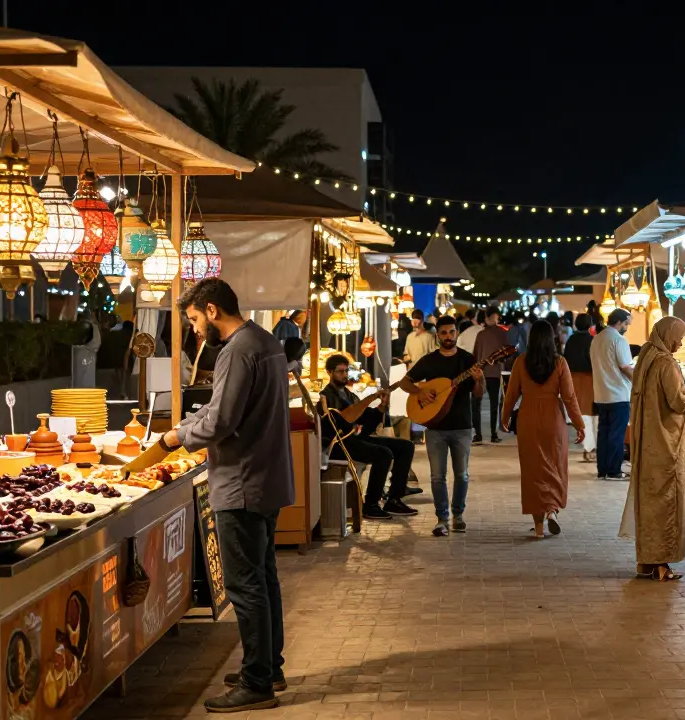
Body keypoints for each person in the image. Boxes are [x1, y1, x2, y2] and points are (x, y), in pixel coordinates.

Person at [165, 278, 294, 711]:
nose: (196, 329)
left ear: (212, 310)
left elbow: (221, 420)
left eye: (195, 319)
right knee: (264, 576)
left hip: (242, 481)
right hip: (268, 476)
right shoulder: (266, 340)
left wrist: (175, 436)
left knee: (246, 583)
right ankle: (268, 667)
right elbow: (228, 407)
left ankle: (257, 681)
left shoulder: (237, 348)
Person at [393, 315, 484, 537]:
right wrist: (420, 391)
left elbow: (478, 395)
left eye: (451, 332)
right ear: (438, 335)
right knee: (437, 476)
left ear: (456, 333)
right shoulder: (429, 361)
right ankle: (442, 519)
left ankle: (458, 515)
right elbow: (405, 382)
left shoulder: (467, 360)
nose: (448, 336)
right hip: (435, 427)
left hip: (462, 425)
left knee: (462, 474)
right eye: (443, 333)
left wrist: (479, 379)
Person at [620, 317, 685, 581]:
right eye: (679, 336)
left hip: (648, 440)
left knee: (649, 502)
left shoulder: (647, 359)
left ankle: (646, 562)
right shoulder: (665, 364)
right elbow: (678, 402)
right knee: (666, 502)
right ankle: (661, 565)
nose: (681, 342)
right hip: (666, 445)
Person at [500, 320, 584, 538]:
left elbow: (511, 394)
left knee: (532, 470)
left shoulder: (521, 362)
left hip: (528, 417)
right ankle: (552, 511)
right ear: (551, 338)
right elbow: (569, 397)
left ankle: (538, 528)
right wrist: (579, 423)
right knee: (555, 465)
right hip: (553, 419)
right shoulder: (559, 363)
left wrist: (505, 416)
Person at [317, 355, 417, 519]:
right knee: (383, 453)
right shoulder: (326, 397)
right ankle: (370, 504)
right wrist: (369, 401)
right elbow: (344, 423)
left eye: (346, 371)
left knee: (405, 446)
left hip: (355, 439)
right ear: (329, 372)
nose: (344, 375)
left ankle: (394, 498)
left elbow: (366, 427)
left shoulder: (349, 395)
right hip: (339, 445)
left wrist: (381, 407)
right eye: (340, 371)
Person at [590, 309, 634, 480]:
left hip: (601, 393)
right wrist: (638, 381)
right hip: (618, 393)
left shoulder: (597, 339)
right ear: (620, 322)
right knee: (616, 434)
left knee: (604, 434)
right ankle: (614, 471)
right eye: (627, 324)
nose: (627, 327)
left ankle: (602, 470)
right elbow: (625, 366)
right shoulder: (618, 340)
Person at [471, 307, 510, 444]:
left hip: (481, 372)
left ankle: (478, 434)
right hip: (494, 373)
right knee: (494, 404)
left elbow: (475, 355)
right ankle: (493, 434)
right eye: (494, 317)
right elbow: (508, 353)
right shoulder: (502, 334)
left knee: (477, 403)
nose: (494, 319)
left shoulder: (481, 335)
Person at [564, 313, 598, 463]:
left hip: (573, 379)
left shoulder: (571, 340)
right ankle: (590, 448)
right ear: (590, 325)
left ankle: (588, 447)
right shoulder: (592, 341)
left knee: (582, 415)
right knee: (591, 416)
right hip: (589, 379)